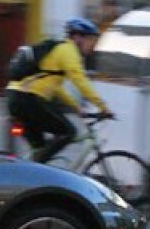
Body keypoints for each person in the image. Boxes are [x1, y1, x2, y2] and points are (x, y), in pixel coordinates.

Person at [6, 17, 111, 163]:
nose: (92, 45)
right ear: (77, 37)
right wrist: (104, 107)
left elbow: (57, 87)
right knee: (68, 132)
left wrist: (77, 107)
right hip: (28, 99)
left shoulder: (58, 49)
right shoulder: (68, 51)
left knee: (41, 150)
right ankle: (37, 171)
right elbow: (81, 81)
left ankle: (30, 176)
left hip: (16, 97)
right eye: (91, 40)